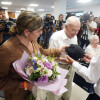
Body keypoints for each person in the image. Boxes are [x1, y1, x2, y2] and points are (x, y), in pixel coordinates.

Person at [0, 11, 67, 100]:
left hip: (35, 94)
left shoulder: (32, 41)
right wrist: (24, 85)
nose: (41, 33)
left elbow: (42, 52)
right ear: (27, 32)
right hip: (17, 96)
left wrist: (59, 50)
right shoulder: (7, 49)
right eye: (39, 30)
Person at [48, 16, 81, 100]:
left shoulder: (74, 36)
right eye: (73, 30)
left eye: (78, 30)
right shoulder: (55, 37)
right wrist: (63, 60)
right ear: (66, 26)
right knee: (55, 91)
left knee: (68, 88)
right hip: (58, 66)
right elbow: (50, 57)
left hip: (70, 66)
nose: (76, 33)